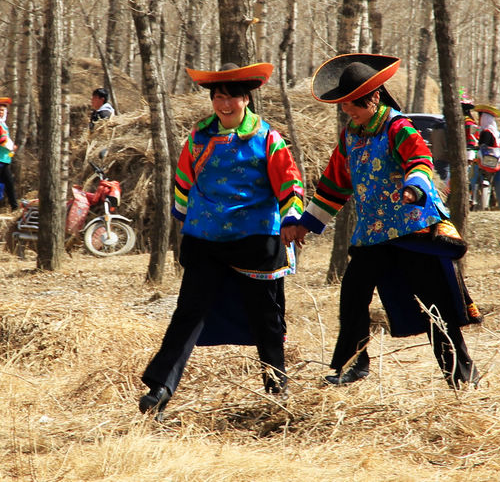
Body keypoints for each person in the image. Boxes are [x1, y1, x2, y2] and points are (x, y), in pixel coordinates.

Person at [282, 53, 480, 389]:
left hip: (412, 229)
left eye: (352, 104)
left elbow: (420, 160)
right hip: (372, 236)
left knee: (434, 307)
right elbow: (333, 186)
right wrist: (304, 224)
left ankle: (462, 376)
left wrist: (414, 187)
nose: (347, 111)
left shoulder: (398, 128)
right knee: (353, 295)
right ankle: (352, 365)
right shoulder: (350, 137)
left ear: (374, 97)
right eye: (343, 105)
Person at [139, 63, 305, 419]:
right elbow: (183, 182)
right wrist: (185, 219)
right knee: (188, 314)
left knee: (267, 319)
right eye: (218, 96)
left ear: (246, 98)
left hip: (255, 240)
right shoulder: (198, 137)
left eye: (231, 96)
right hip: (206, 240)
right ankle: (160, 389)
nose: (224, 103)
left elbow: (289, 184)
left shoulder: (266, 138)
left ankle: (278, 391)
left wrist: (292, 219)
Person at [0, 97, 16, 209]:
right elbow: (1, 140)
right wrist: (11, 146)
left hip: (5, 158)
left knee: (9, 182)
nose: (1, 113)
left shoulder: (3, 124)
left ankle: (14, 205)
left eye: (3, 110)